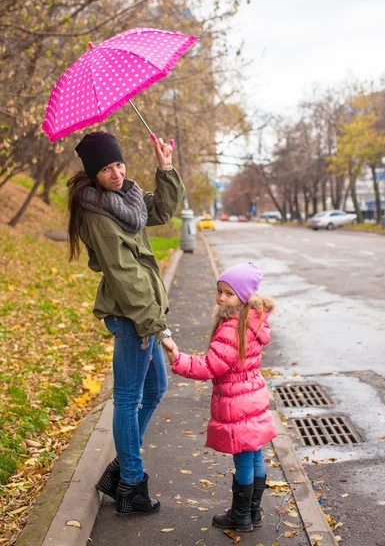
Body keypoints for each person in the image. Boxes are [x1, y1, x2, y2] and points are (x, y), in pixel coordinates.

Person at [66, 131, 184, 516]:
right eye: (105, 168)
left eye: (118, 163)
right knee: (130, 398)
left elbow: (164, 212)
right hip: (132, 314)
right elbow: (123, 272)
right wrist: (156, 326)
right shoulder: (96, 211)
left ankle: (121, 467)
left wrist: (164, 166)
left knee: (154, 390)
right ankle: (131, 483)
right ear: (92, 173)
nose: (115, 173)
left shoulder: (126, 198)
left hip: (143, 312)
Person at [161, 261, 277, 532]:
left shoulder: (232, 327)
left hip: (237, 400)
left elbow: (211, 366)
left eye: (228, 293)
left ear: (244, 296)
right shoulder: (254, 320)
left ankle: (240, 517)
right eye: (219, 291)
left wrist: (177, 357)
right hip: (252, 395)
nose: (221, 297)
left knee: (244, 458)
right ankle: (252, 512)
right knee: (255, 452)